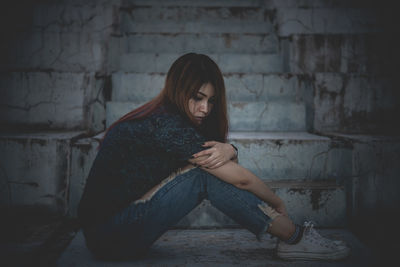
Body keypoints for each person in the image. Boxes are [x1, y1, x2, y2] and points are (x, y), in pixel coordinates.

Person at [77, 53, 350, 261]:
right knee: (204, 175)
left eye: (211, 100)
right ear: (178, 90)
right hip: (110, 237)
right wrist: (277, 201)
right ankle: (294, 236)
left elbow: (227, 165)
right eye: (197, 97)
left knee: (208, 168)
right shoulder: (165, 125)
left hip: (116, 229)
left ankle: (291, 236)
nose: (205, 108)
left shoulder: (168, 119)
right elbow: (239, 179)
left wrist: (231, 149)